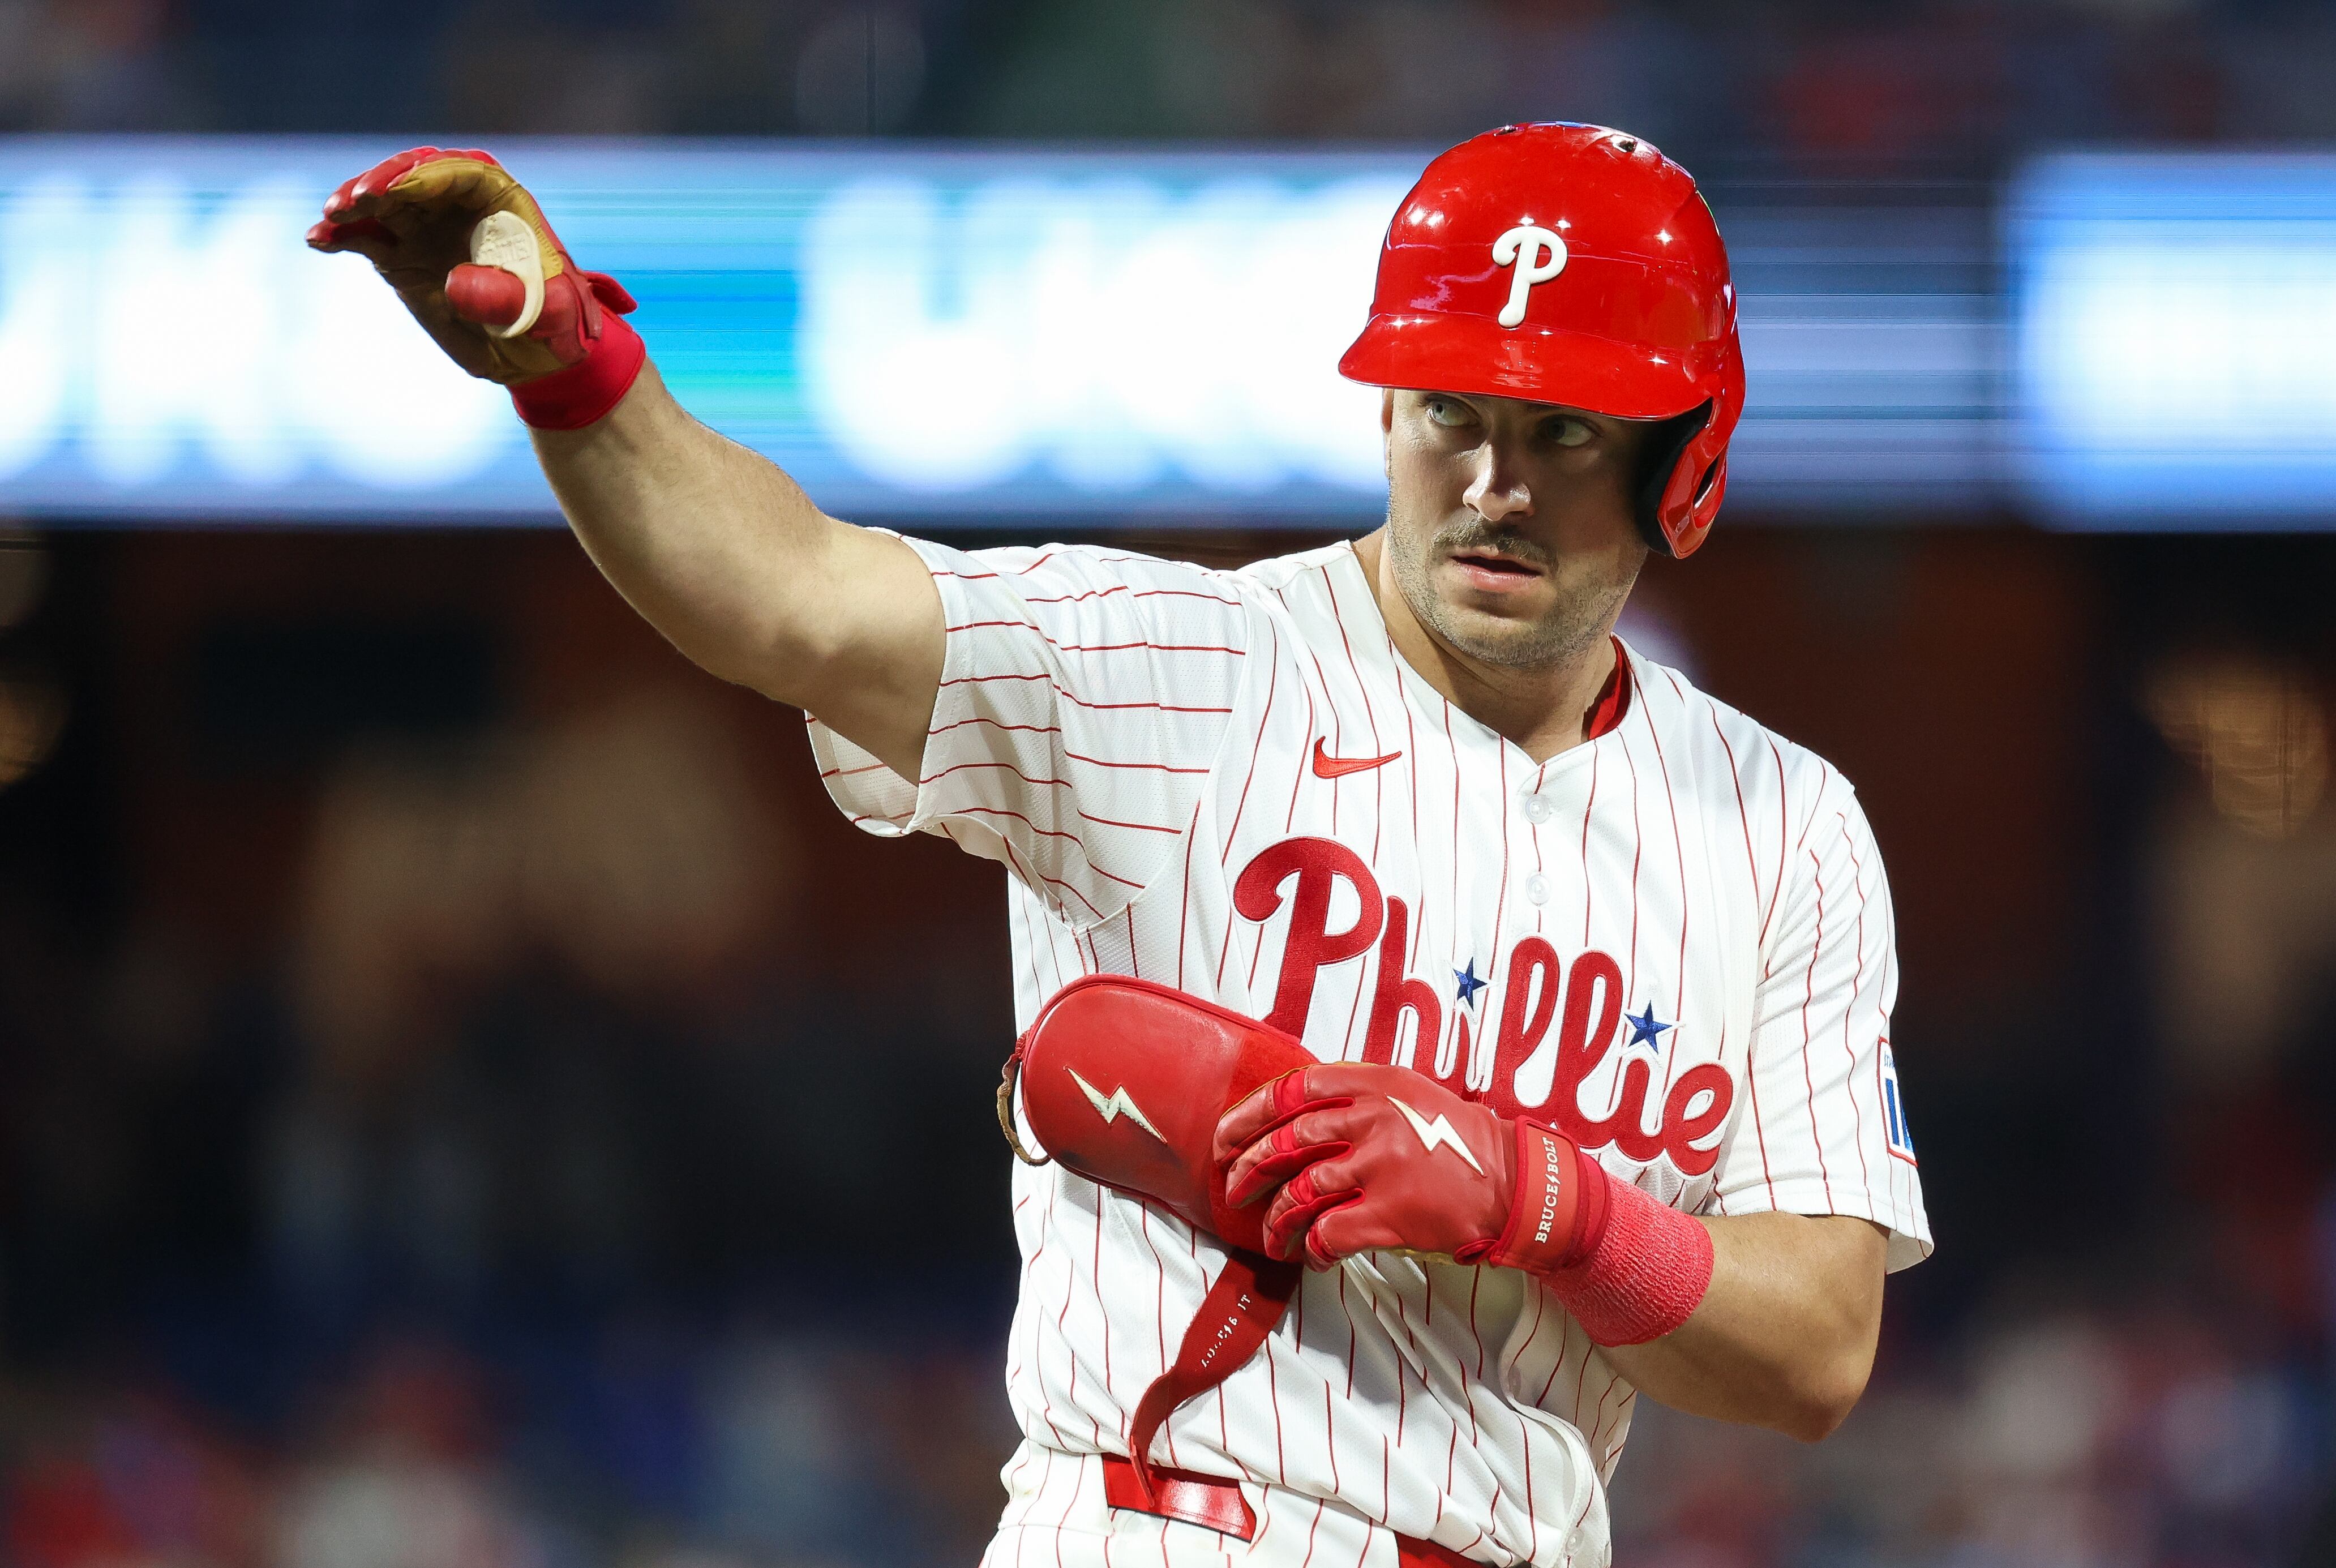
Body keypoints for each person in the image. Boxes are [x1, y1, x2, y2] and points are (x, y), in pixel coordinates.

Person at [310, 122, 1931, 1568]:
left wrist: (1539, 1198)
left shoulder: (1781, 829)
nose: (1492, 483)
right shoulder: (1173, 660)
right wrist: (580, 377)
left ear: (1684, 457)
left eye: (1567, 431)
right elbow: (790, 593)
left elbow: (1812, 1350)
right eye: (1450, 410)